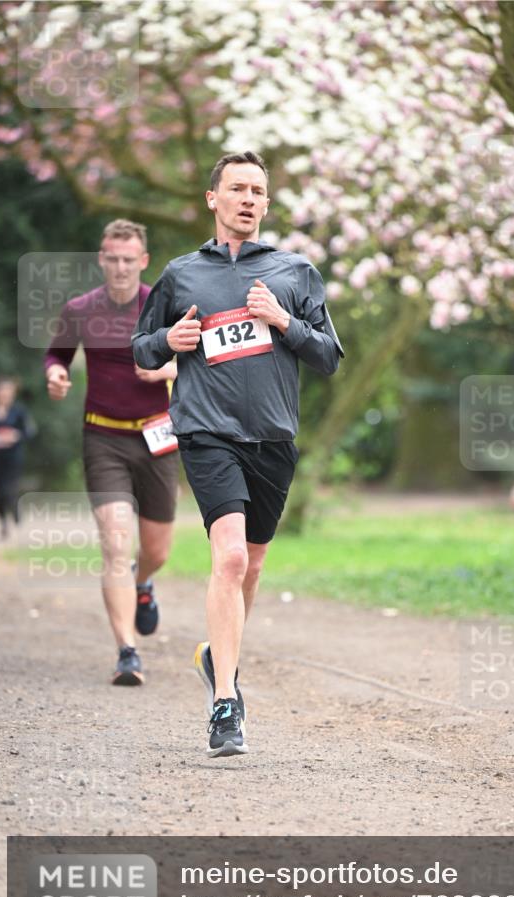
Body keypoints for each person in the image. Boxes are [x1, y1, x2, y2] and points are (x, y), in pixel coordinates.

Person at [132, 151, 343, 757]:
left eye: (258, 191)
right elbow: (143, 349)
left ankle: (216, 656)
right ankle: (226, 702)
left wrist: (283, 322)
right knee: (227, 560)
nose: (248, 199)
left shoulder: (295, 272)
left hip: (273, 437)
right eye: (237, 188)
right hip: (206, 432)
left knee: (250, 565)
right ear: (213, 199)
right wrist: (168, 339)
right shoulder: (180, 275)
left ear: (267, 205)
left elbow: (328, 356)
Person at [45, 219, 179, 686]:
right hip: (103, 437)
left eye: (129, 259)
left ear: (143, 262)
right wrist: (56, 375)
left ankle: (144, 584)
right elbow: (57, 354)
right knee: (116, 542)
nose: (120, 267)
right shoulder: (81, 309)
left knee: (157, 550)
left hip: (158, 438)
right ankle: (127, 651)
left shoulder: (163, 308)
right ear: (101, 260)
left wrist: (165, 373)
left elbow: (194, 361)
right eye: (112, 258)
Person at [0, 377, 36, 538]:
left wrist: (15, 436)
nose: (4, 394)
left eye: (7, 391)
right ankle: (3, 524)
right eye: (2, 391)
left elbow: (29, 433)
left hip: (14, 457)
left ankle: (16, 515)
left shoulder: (19, 412)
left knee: (10, 489)